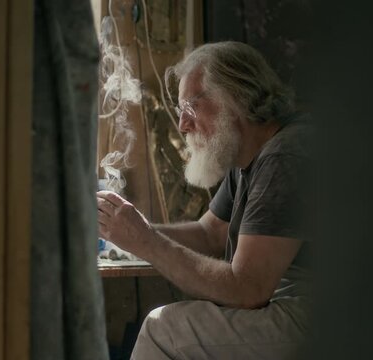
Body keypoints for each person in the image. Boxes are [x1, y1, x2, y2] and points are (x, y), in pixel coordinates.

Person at [97, 41, 313, 359]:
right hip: (291, 304)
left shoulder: (286, 155)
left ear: (234, 99)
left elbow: (248, 290)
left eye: (190, 109)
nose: (183, 125)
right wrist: (124, 234)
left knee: (163, 330)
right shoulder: (249, 156)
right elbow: (209, 235)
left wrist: (145, 241)